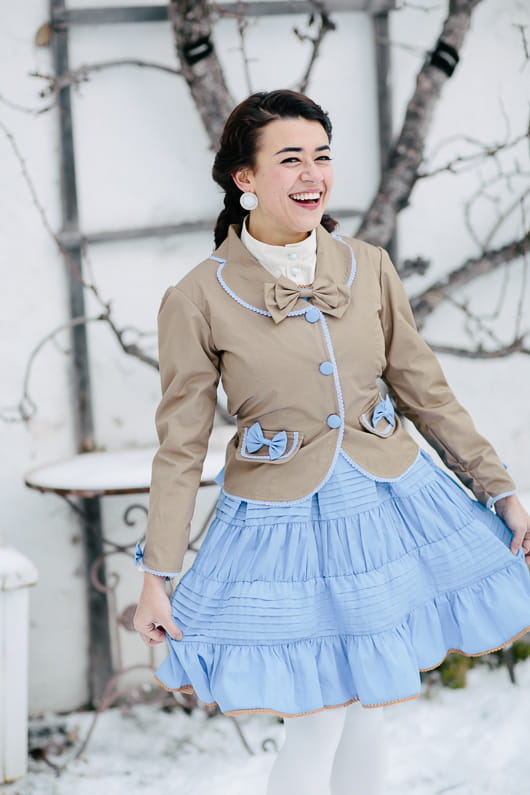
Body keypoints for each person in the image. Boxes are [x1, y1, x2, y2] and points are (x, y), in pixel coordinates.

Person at [133, 90, 530, 794]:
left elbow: (426, 393)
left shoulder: (368, 266)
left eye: (322, 156)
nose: (312, 172)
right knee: (319, 715)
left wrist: (500, 489)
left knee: (364, 709)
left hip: (384, 506)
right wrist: (156, 575)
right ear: (243, 178)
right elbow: (180, 444)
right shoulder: (198, 295)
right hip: (281, 532)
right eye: (290, 159)